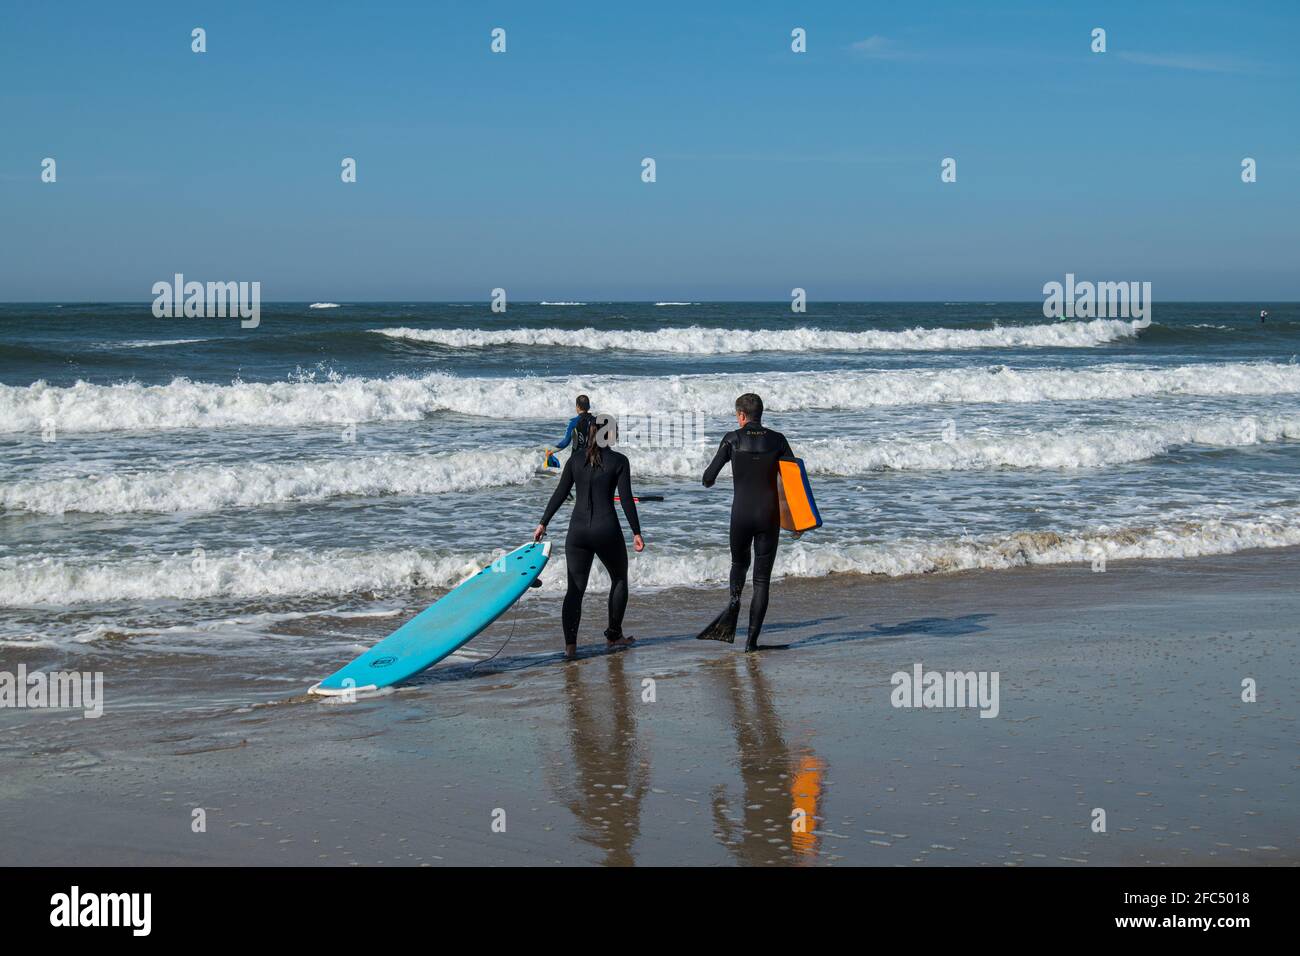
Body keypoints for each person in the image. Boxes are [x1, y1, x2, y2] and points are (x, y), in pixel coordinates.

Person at [535, 414, 645, 659]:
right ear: (611, 434)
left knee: (575, 590)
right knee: (618, 580)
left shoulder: (575, 460)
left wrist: (543, 523)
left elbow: (560, 493)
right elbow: (626, 499)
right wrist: (636, 532)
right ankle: (614, 636)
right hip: (607, 529)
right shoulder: (619, 461)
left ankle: (570, 648)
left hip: (578, 532)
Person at [699, 393, 793, 652]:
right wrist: (797, 521)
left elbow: (708, 478)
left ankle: (733, 604)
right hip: (769, 516)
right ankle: (751, 642)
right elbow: (793, 482)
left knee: (739, 564)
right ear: (760, 414)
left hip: (741, 515)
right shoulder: (778, 440)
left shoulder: (732, 438)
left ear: (741, 415)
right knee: (761, 580)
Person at [548, 395, 597, 466]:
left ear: (577, 406)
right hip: (593, 458)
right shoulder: (596, 421)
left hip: (577, 459)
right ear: (589, 406)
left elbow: (565, 443)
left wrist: (551, 451)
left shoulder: (574, 422)